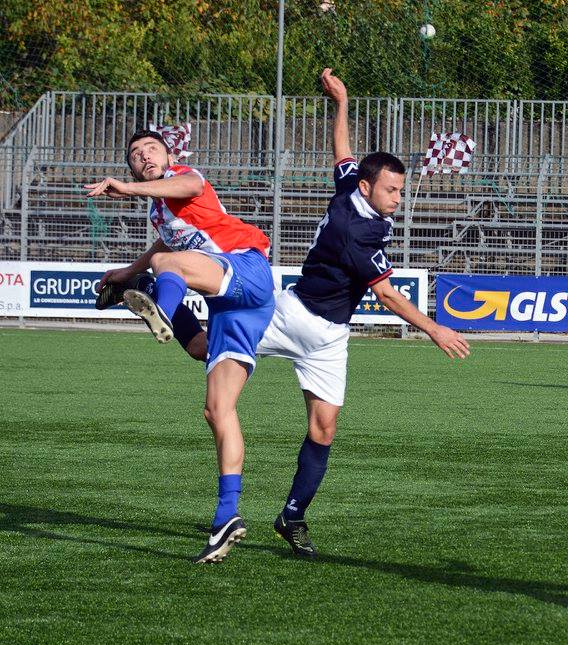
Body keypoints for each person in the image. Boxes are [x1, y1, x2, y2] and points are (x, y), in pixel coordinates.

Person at [123, 69, 471, 558]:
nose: (399, 198)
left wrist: (342, 102)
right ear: (370, 190)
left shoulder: (352, 185)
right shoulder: (358, 235)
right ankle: (163, 306)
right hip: (290, 313)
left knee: (323, 429)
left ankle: (291, 516)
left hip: (330, 338)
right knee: (207, 352)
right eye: (392, 191)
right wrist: (435, 329)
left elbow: (342, 150)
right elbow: (389, 297)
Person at [87, 129, 276, 563]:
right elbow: (164, 243)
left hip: (247, 268)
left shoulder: (184, 178)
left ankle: (161, 308)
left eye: (150, 149)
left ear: (168, 155)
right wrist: (125, 272)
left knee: (161, 268)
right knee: (215, 404)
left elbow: (188, 187)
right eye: (134, 155)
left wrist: (127, 187)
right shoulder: (163, 213)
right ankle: (228, 515)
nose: (142, 156)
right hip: (233, 307)